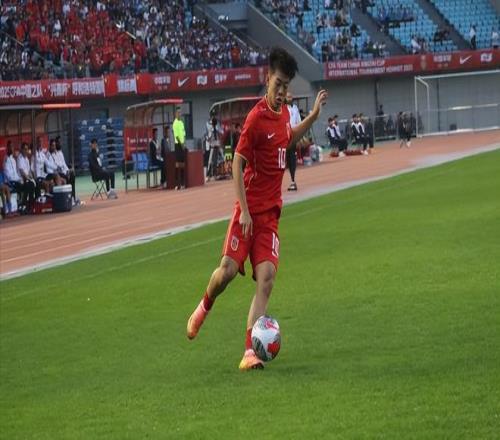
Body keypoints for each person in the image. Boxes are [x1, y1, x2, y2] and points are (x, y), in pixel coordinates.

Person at [186, 47, 328, 370]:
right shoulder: (255, 118)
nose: (281, 92)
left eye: (286, 87)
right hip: (247, 213)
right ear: (267, 79)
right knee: (226, 273)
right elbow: (237, 163)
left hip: (270, 217)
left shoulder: (284, 115)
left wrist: (313, 117)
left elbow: (287, 140)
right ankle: (204, 306)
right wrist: (245, 211)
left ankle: (249, 351)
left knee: (267, 278)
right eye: (278, 85)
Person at [285, 91, 302, 191]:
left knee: (291, 158)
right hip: (283, 136)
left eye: (291, 97)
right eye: (288, 97)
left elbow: (299, 122)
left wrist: (299, 137)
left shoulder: (295, 108)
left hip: (293, 136)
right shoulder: (282, 108)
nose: (289, 98)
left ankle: (292, 181)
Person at [54, 136, 77, 202]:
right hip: (59, 173)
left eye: (60, 142)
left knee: (72, 174)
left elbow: (64, 164)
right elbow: (58, 166)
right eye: (59, 142)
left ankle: (73, 197)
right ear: (56, 143)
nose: (60, 144)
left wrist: (68, 170)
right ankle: (69, 198)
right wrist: (66, 172)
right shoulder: (54, 154)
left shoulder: (61, 152)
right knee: (68, 176)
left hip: (64, 172)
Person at [16, 142, 37, 212]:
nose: (26, 151)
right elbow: (22, 172)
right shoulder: (19, 158)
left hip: (27, 179)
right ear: (21, 150)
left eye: (27, 149)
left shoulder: (27, 159)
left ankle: (33, 204)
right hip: (20, 180)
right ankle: (24, 205)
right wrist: (29, 179)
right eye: (25, 149)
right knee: (29, 185)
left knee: (35, 183)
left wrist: (32, 178)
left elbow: (29, 171)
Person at [172, 107, 186, 189]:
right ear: (175, 114)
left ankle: (183, 183)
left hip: (182, 145)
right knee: (177, 165)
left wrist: (184, 144)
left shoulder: (181, 123)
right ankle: (177, 184)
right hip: (178, 145)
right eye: (178, 113)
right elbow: (176, 136)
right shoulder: (175, 123)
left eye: (180, 113)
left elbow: (183, 134)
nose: (179, 114)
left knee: (183, 164)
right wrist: (181, 145)